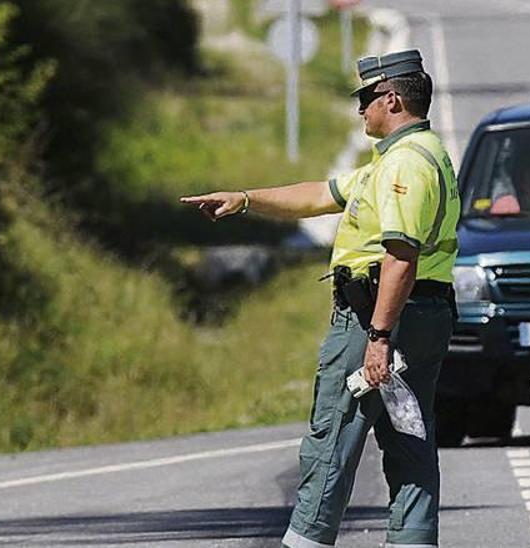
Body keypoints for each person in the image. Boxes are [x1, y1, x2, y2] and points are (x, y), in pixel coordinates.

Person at [180, 49, 459, 548]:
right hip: (421, 315)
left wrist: (377, 336)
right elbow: (319, 195)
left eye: (365, 99)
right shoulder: (411, 157)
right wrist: (244, 199)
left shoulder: (403, 167)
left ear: (391, 99)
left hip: (378, 314)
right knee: (409, 441)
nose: (360, 111)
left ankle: (306, 540)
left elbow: (400, 256)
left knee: (333, 441)